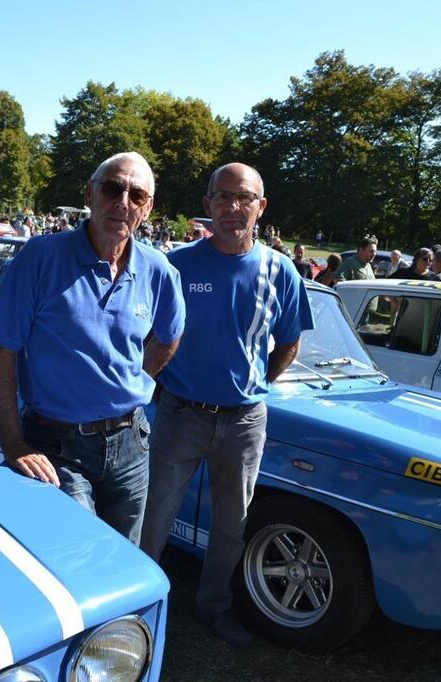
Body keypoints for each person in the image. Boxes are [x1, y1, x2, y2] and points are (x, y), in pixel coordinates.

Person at [141, 163, 313, 648]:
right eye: (223, 197)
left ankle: (214, 608)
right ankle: (140, 610)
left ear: (262, 206)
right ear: (207, 205)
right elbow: (149, 335)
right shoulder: (178, 265)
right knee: (154, 516)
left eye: (244, 198)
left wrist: (248, 385)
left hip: (244, 423)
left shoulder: (281, 270)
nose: (234, 208)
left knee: (231, 526)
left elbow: (288, 345)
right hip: (179, 414)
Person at [0, 151, 185, 545]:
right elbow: (2, 351)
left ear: (147, 209)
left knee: (124, 559)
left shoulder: (158, 269)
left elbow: (171, 334)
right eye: (112, 188)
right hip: (58, 445)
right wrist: (13, 443)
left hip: (131, 444)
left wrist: (135, 377)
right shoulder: (40, 258)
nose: (122, 202)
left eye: (136, 195)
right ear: (90, 194)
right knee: (73, 554)